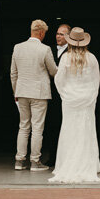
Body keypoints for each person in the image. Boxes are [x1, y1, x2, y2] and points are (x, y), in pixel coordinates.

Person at [49, 27, 100, 184]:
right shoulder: (92, 58)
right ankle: (87, 163)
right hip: (87, 100)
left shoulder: (66, 58)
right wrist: (92, 96)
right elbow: (96, 80)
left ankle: (67, 163)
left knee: (69, 131)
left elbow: (58, 80)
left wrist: (65, 95)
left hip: (70, 101)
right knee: (86, 131)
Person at [11, 19, 58, 171]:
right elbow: (53, 71)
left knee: (23, 126)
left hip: (22, 91)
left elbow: (13, 73)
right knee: (37, 128)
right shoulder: (45, 49)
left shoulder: (17, 48)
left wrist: (15, 91)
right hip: (39, 93)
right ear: (42, 32)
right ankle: (35, 161)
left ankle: (19, 161)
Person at [44, 23, 71, 166]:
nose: (58, 36)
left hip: (67, 94)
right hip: (52, 94)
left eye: (62, 34)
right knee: (53, 126)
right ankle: (53, 157)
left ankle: (66, 159)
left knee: (67, 126)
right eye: (57, 33)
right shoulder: (49, 50)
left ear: (69, 36)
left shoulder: (73, 52)